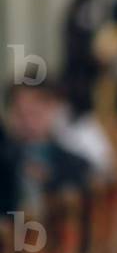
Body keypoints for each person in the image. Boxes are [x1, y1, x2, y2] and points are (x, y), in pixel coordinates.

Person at [1, 82, 93, 214]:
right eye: (20, 114)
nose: (28, 123)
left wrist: (49, 180)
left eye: (35, 114)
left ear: (52, 110)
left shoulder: (75, 165)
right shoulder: (6, 161)